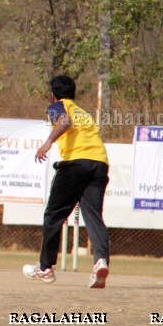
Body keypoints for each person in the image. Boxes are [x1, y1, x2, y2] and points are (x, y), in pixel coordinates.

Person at [23, 75, 110, 288]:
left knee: (54, 214)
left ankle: (45, 268)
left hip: (76, 163)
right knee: (93, 215)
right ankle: (100, 261)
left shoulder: (57, 105)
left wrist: (48, 143)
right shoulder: (84, 113)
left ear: (53, 94)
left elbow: (64, 120)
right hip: (99, 164)